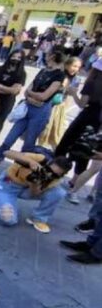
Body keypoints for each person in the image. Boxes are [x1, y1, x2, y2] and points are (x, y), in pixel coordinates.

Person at [0, 49, 67, 176]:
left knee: (28, 145)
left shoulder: (59, 75)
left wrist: (33, 95)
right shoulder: (43, 70)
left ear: (52, 56)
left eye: (47, 54)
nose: (45, 56)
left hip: (40, 113)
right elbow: (27, 91)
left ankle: (20, 172)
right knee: (8, 140)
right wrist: (34, 96)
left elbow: (44, 96)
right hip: (28, 108)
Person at [56, 61, 102, 202]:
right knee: (84, 152)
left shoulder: (91, 83)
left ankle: (56, 174)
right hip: (97, 123)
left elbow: (82, 104)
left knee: (65, 145)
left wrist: (73, 93)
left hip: (84, 119)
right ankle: (74, 186)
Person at [0, 150, 71, 233]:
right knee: (7, 219)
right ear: (49, 163)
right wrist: (31, 162)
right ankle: (1, 201)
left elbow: (34, 193)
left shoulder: (56, 179)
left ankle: (38, 218)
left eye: (55, 174)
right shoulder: (41, 158)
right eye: (49, 170)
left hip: (27, 189)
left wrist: (35, 183)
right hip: (8, 185)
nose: (50, 174)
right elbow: (6, 153)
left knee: (58, 192)